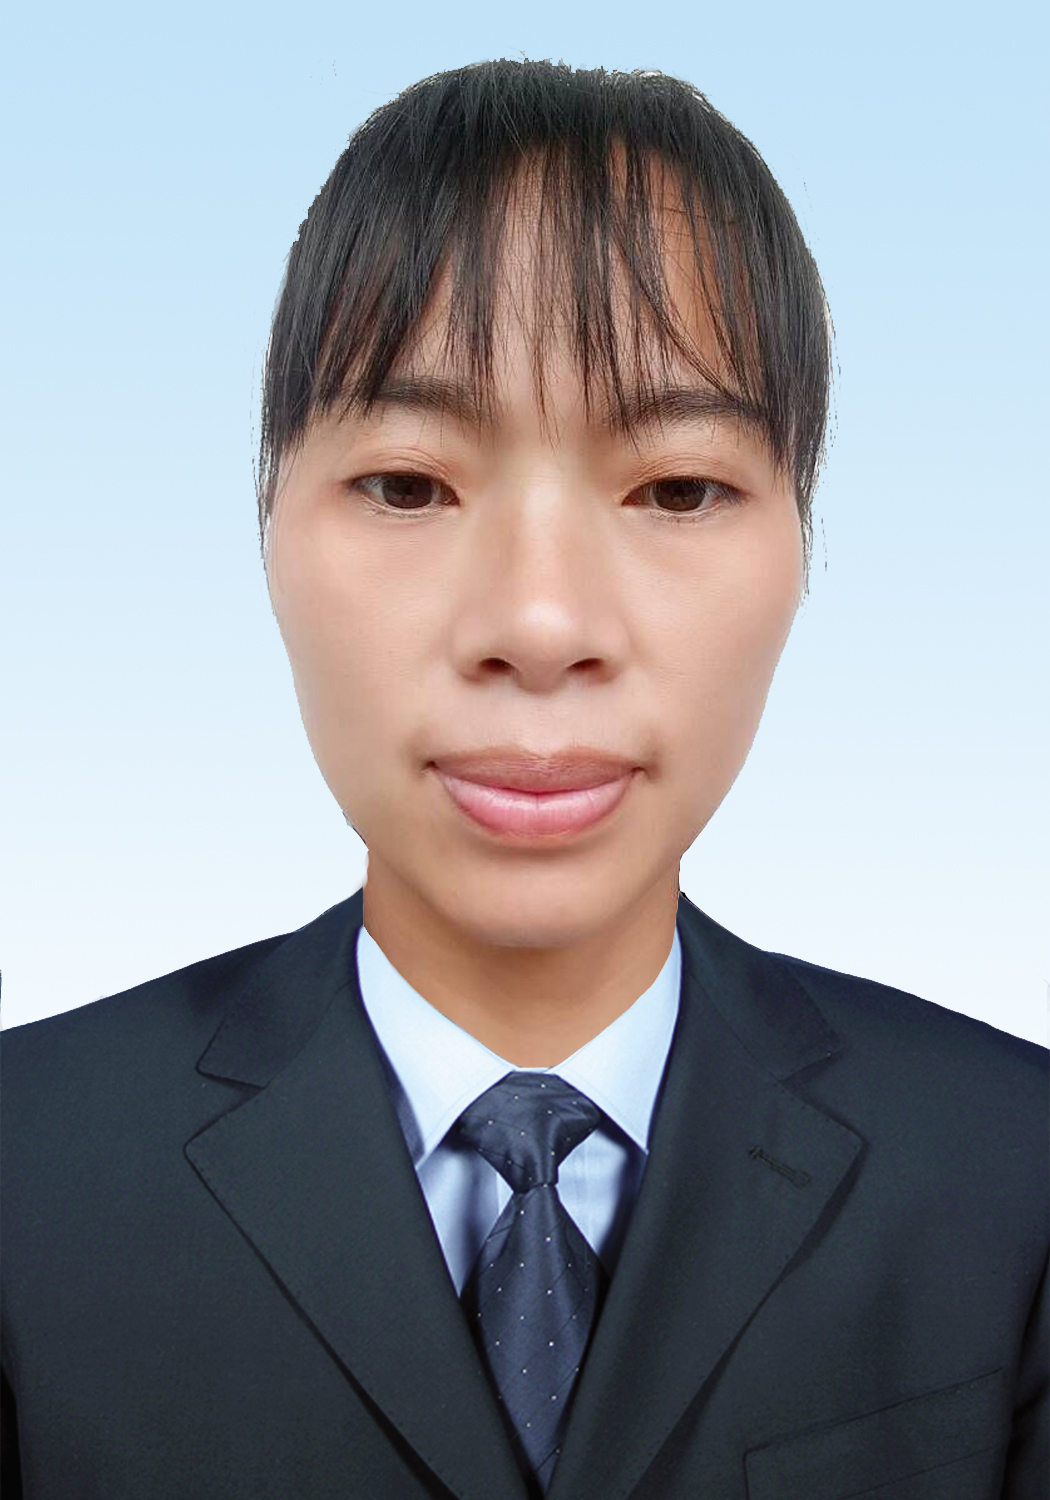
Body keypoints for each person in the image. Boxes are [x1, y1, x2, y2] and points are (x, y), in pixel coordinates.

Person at [2, 58, 1045, 1500]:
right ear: (266, 530)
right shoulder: (25, 1171)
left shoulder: (1014, 1172)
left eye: (676, 488)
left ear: (803, 544)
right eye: (409, 484)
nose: (541, 626)